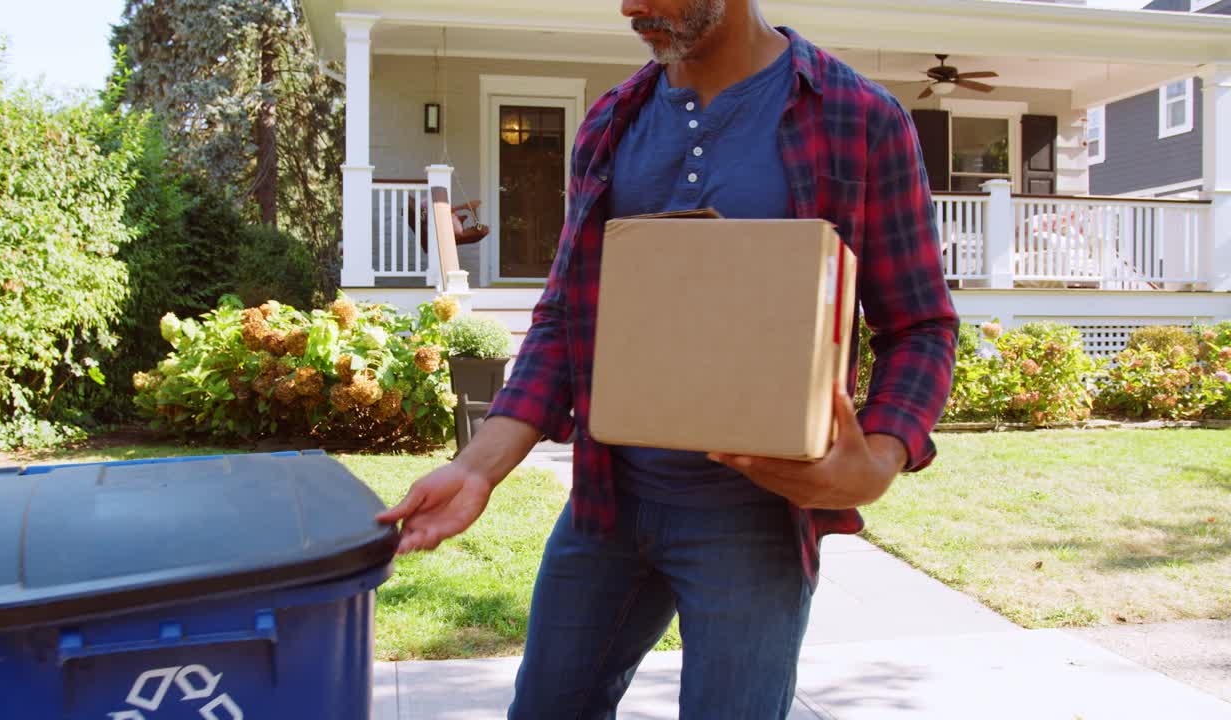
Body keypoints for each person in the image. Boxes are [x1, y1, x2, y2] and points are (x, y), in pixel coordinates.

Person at [378, 0, 960, 717]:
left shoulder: (859, 118)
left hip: (754, 518)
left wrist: (877, 461)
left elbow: (922, 326)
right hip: (606, 501)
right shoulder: (611, 123)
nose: (629, 6)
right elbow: (564, 318)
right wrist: (476, 467)